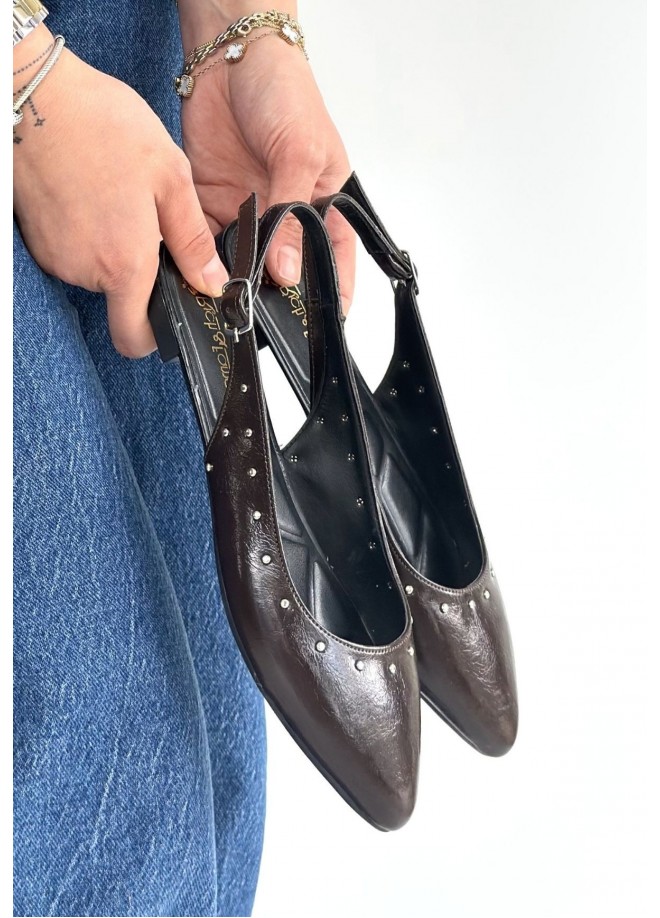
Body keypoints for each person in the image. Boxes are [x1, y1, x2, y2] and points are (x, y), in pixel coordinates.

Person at [13, 1, 355, 915]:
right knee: (100, 785)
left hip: (107, 37)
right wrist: (20, 71)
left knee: (214, 759)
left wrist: (242, 31)